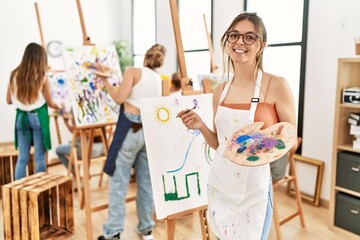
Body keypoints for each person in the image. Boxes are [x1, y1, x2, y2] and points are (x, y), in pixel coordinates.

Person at [178, 12, 296, 240]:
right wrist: (201, 125)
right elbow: (220, 146)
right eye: (234, 36)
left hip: (255, 190)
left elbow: (289, 142)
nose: (240, 42)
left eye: (249, 37)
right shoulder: (219, 92)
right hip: (222, 185)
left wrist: (257, 145)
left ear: (261, 46)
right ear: (227, 42)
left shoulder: (276, 85)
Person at [97, 44, 166, 240]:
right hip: (148, 131)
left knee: (119, 182)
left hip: (130, 129)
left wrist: (105, 81)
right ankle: (146, 229)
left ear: (146, 56)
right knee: (145, 183)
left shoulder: (133, 72)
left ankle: (112, 233)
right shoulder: (160, 80)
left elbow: (119, 98)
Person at [6, 42, 62, 180]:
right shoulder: (42, 76)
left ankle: (19, 193)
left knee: (23, 158)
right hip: (38, 118)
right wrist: (60, 106)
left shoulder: (14, 74)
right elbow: (50, 103)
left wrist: (22, 100)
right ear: (40, 58)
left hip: (21, 119)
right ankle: (40, 192)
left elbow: (8, 100)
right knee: (39, 158)